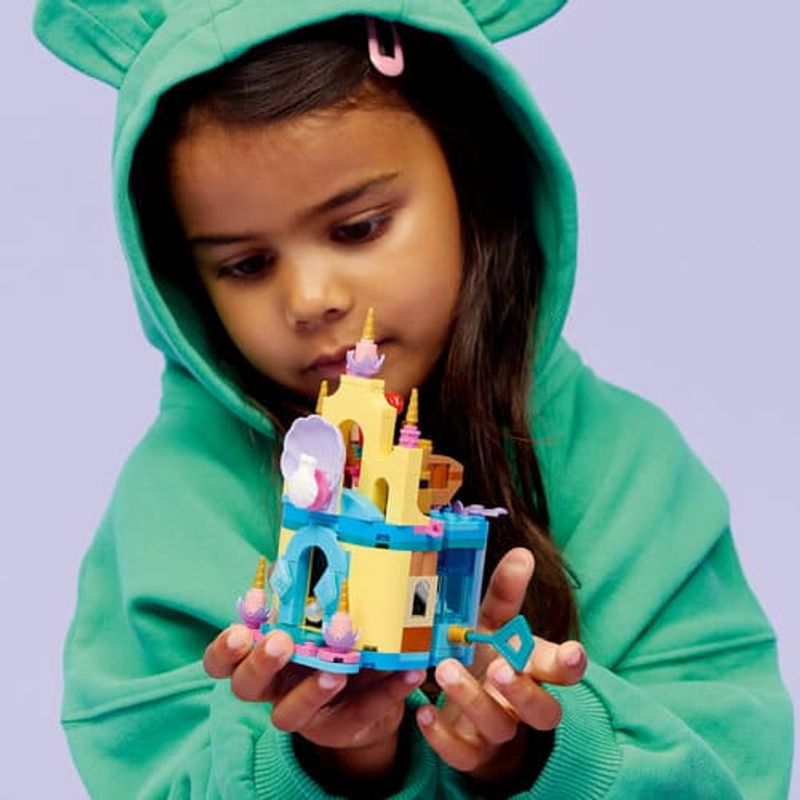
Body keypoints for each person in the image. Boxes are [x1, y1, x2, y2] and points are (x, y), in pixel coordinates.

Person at [33, 2, 792, 798]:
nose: (312, 298)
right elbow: (147, 768)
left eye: (359, 227)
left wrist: (540, 754)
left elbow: (735, 767)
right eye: (247, 265)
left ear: (476, 180)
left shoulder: (629, 470)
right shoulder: (177, 503)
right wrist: (330, 758)